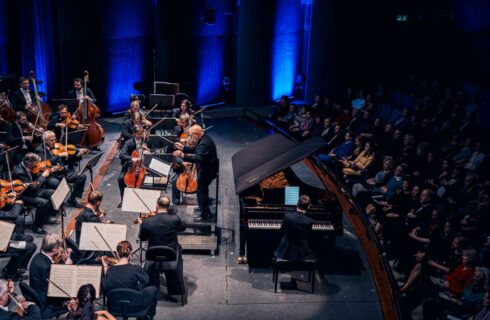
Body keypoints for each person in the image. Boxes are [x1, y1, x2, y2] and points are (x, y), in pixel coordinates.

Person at [101, 241, 158, 319]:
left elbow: (105, 289)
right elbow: (146, 280)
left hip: (115, 308)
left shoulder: (110, 270)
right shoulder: (135, 269)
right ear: (130, 254)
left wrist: (105, 266)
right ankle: (146, 317)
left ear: (117, 254)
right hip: (135, 306)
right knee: (153, 288)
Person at [173, 124, 218, 221]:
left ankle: (205, 215)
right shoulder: (203, 139)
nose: (191, 138)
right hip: (206, 168)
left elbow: (198, 158)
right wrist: (183, 148)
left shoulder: (204, 144)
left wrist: (182, 155)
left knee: (201, 192)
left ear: (196, 134)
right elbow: (195, 150)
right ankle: (203, 208)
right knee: (201, 192)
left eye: (191, 136)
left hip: (207, 171)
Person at [139, 196, 186, 287]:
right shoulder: (175, 219)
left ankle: (151, 286)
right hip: (170, 254)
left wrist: (142, 226)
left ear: (157, 205)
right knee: (179, 247)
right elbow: (183, 227)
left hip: (153, 255)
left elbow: (142, 238)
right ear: (169, 207)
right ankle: (175, 286)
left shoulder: (147, 222)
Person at [35, 131, 89, 208]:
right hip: (51, 175)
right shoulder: (39, 150)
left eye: (54, 139)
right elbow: (46, 163)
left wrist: (77, 155)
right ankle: (57, 206)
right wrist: (59, 155)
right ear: (45, 140)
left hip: (62, 172)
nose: (54, 141)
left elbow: (67, 161)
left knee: (81, 177)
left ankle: (72, 200)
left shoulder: (57, 146)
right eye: (51, 140)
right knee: (57, 184)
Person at [13, 152, 59, 234]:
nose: (37, 165)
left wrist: (50, 170)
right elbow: (33, 187)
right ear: (28, 162)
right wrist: (43, 176)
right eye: (35, 163)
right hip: (24, 195)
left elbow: (37, 176)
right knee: (42, 202)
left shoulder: (31, 167)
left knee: (53, 193)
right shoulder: (19, 172)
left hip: (33, 191)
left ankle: (45, 217)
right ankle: (36, 226)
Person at [29, 233, 72, 314]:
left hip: (40, 286)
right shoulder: (45, 267)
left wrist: (61, 261)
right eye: (59, 247)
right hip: (45, 296)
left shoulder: (38, 255)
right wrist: (67, 267)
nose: (60, 249)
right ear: (54, 250)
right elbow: (55, 286)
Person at [117, 125, 152, 208]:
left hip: (143, 166)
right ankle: (123, 200)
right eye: (138, 134)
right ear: (134, 134)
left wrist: (148, 150)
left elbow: (154, 152)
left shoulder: (147, 141)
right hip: (130, 167)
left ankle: (145, 200)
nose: (140, 136)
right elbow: (122, 155)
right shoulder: (129, 142)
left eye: (141, 134)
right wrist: (132, 158)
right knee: (121, 179)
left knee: (149, 179)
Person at [274, 194, 314, 262]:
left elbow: (281, 231)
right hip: (301, 251)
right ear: (309, 207)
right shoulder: (310, 221)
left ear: (297, 204)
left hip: (285, 249)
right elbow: (308, 236)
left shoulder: (287, 216)